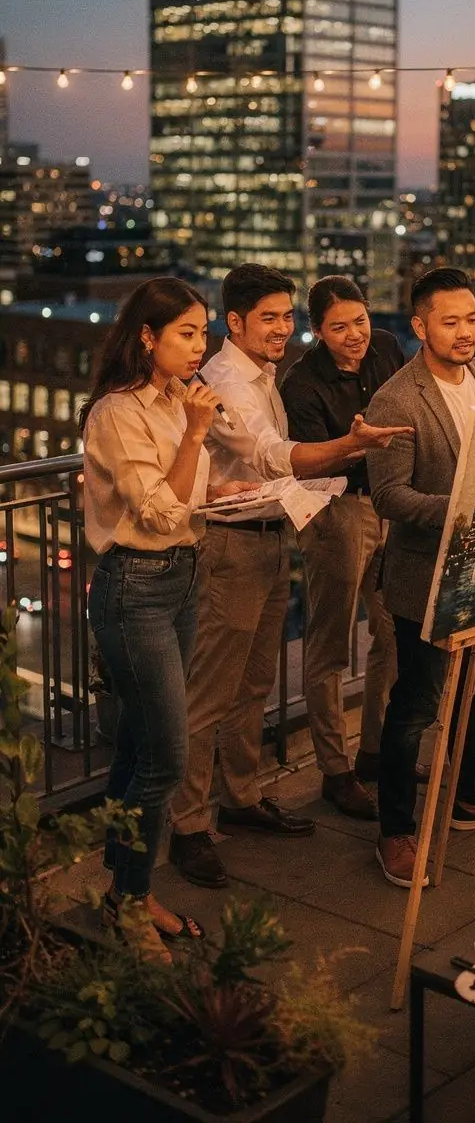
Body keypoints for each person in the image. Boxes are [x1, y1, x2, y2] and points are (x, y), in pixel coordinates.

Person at [169, 264, 412, 888]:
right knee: (210, 693)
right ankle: (187, 826)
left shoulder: (265, 374)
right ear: (235, 322)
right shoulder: (225, 380)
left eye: (286, 316)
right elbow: (273, 455)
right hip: (232, 545)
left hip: (273, 533)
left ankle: (241, 797)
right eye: (268, 318)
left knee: (253, 683)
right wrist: (353, 445)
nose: (282, 328)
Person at [366, 267, 475, 888]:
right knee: (416, 705)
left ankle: (471, 795)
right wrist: (467, 506)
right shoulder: (396, 400)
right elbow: (388, 496)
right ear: (420, 327)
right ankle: (394, 831)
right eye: (450, 321)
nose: (466, 331)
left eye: (472, 318)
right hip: (424, 574)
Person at [82, 278, 222, 960]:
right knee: (167, 756)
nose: (199, 347)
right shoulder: (118, 412)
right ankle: (130, 900)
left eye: (203, 333)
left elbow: (188, 494)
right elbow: (161, 512)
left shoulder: (173, 401)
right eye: (185, 333)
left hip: (182, 578)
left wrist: (230, 490)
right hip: (134, 587)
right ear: (147, 336)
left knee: (139, 748)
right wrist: (196, 433)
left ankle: (125, 891)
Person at [280, 275, 404, 820]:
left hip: (390, 502)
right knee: (330, 643)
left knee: (393, 630)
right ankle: (335, 771)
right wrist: (355, 445)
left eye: (360, 320)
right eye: (338, 327)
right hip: (338, 510)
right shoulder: (302, 383)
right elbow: (312, 463)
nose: (355, 335)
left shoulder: (387, 348)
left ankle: (377, 750)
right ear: (317, 331)